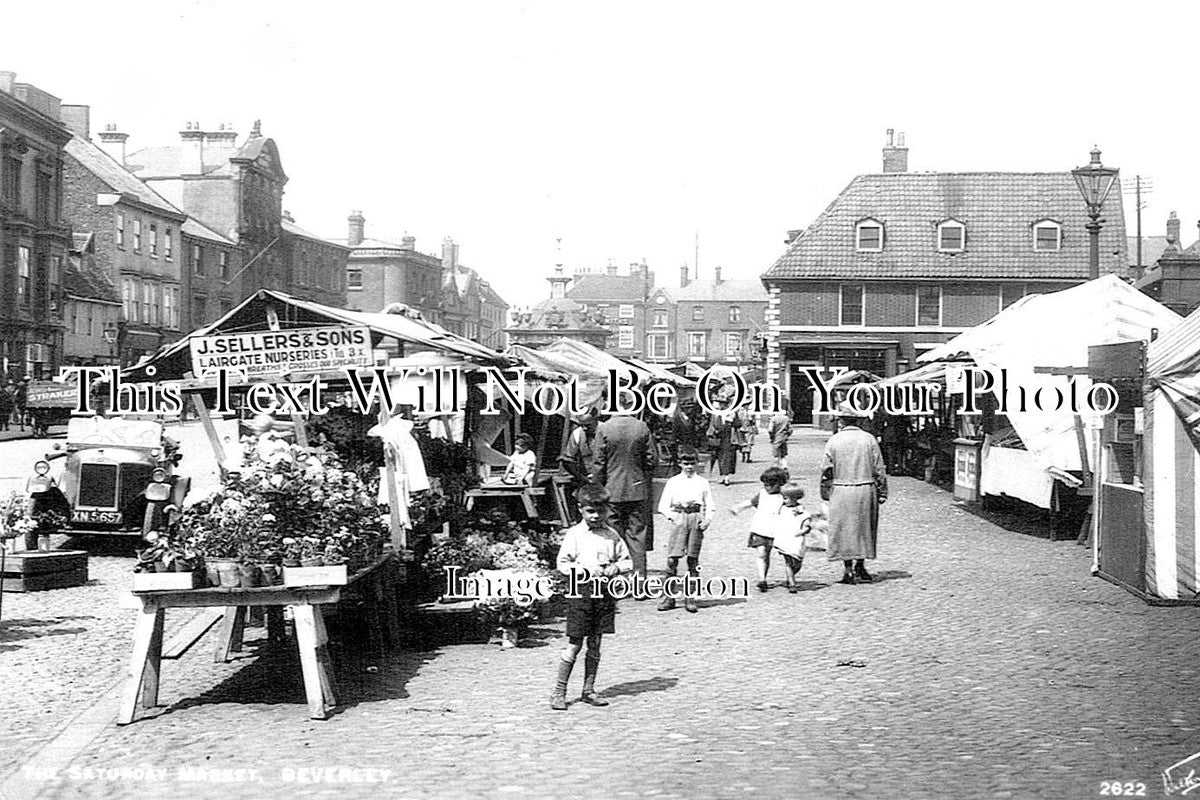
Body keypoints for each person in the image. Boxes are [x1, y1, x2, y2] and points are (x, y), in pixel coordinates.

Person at [551, 484, 633, 711]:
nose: (596, 516)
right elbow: (563, 564)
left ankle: (588, 689)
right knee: (575, 644)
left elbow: (627, 561)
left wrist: (614, 569)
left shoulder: (612, 535)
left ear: (608, 510)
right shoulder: (575, 534)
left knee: (595, 643)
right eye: (590, 511)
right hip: (582, 594)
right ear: (580, 509)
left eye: (600, 511)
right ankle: (559, 692)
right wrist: (585, 570)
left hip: (604, 595)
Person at [822, 401, 888, 585]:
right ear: (859, 421)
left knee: (843, 528)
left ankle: (848, 568)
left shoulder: (834, 440)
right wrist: (882, 491)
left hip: (841, 488)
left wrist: (825, 491)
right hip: (866, 488)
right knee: (864, 528)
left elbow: (827, 469)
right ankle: (861, 564)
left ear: (842, 420)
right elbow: (879, 468)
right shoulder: (869, 439)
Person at [594, 404, 657, 585]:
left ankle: (616, 582)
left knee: (613, 535)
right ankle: (639, 582)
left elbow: (599, 463)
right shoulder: (641, 426)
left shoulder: (604, 428)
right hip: (637, 490)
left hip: (611, 491)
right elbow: (652, 459)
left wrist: (598, 489)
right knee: (637, 536)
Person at [655, 447, 714, 613]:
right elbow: (663, 505)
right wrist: (673, 516)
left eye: (692, 463)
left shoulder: (702, 482)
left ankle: (691, 597)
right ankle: (669, 597)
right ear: (680, 464)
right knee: (672, 560)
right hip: (679, 517)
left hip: (695, 518)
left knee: (693, 560)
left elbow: (710, 504)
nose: (689, 467)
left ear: (697, 463)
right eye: (686, 463)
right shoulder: (673, 482)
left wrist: (707, 520)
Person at [729, 465, 789, 592]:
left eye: (772, 484)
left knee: (784, 554)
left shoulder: (784, 497)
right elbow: (750, 502)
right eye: (766, 484)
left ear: (780, 483)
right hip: (761, 528)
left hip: (777, 530)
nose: (768, 487)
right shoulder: (762, 494)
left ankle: (790, 576)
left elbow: (794, 508)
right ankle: (762, 579)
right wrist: (737, 507)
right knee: (762, 553)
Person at [770, 482, 812, 594]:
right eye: (783, 498)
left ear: (795, 498)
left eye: (787, 498)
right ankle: (792, 583)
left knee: (797, 563)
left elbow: (807, 523)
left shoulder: (801, 510)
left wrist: (803, 530)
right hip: (784, 539)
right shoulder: (781, 508)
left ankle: (791, 576)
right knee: (788, 562)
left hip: (797, 540)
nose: (784, 501)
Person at [705, 402, 740, 486]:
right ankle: (722, 476)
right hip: (718, 440)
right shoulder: (715, 414)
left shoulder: (732, 413)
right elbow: (711, 425)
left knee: (728, 458)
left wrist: (731, 421)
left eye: (723, 404)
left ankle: (727, 477)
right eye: (720, 404)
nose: (721, 406)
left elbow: (739, 424)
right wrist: (711, 433)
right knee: (720, 458)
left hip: (728, 439)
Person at [768, 402, 792, 471]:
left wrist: (771, 437)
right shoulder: (786, 419)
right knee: (783, 455)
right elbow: (790, 429)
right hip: (783, 438)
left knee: (775, 455)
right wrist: (787, 435)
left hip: (776, 439)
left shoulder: (773, 419)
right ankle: (785, 466)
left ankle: (776, 468)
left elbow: (770, 430)